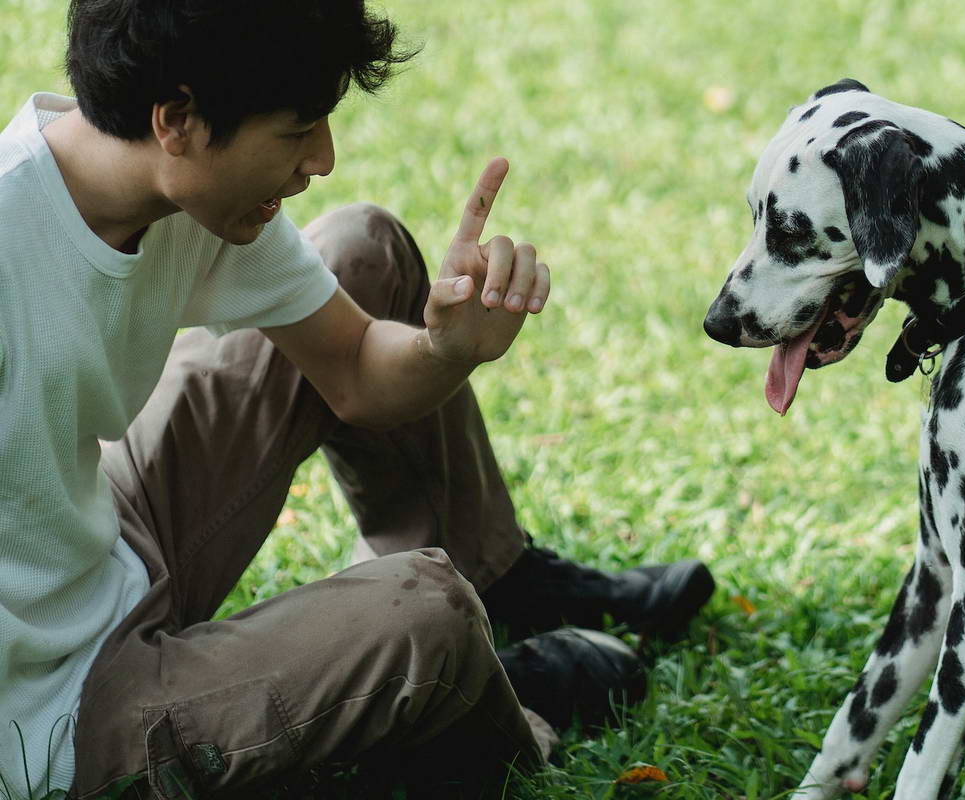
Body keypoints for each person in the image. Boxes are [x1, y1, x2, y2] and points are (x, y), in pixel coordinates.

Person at [0, 1, 715, 797]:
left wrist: (445, 347)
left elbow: (353, 368)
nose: (323, 158)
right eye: (300, 127)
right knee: (427, 616)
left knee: (361, 249)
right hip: (58, 712)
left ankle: (496, 580)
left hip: (100, 554)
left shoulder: (187, 194)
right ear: (178, 121)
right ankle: (480, 698)